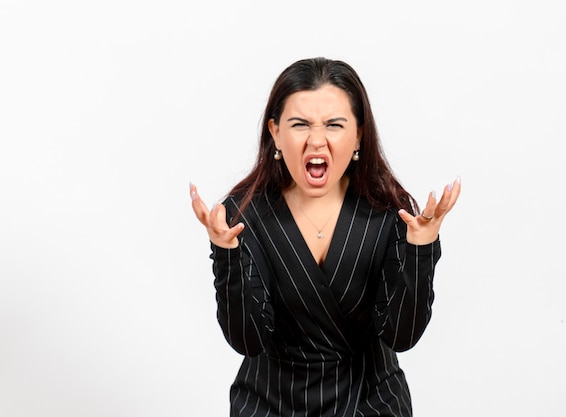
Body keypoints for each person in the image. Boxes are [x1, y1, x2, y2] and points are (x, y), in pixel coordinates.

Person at [190, 57, 461, 417]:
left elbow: (402, 336)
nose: (316, 140)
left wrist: (420, 248)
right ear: (275, 133)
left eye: (334, 124)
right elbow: (247, 340)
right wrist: (226, 252)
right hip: (269, 403)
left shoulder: (391, 211)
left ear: (359, 134)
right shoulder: (243, 214)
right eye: (300, 124)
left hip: (371, 404)